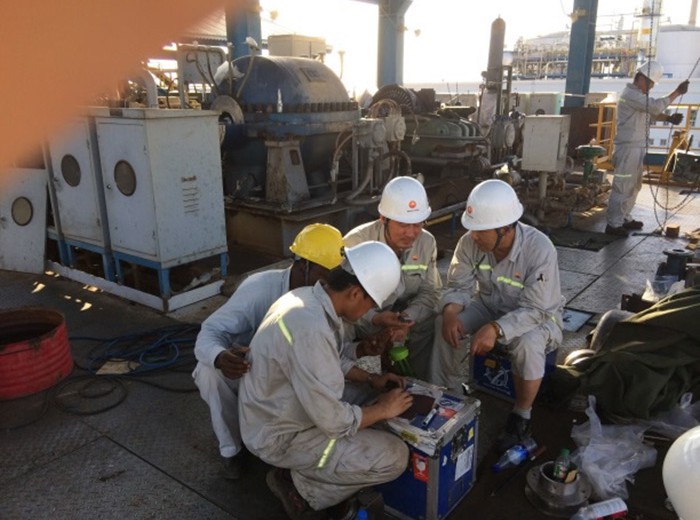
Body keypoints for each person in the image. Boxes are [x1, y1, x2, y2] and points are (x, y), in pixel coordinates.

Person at [239, 241, 413, 520]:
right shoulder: (310, 327)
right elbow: (335, 423)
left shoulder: (306, 299)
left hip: (280, 407)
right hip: (279, 435)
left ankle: (314, 470)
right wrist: (383, 410)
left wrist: (372, 378)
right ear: (355, 293)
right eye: (370, 304)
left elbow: (327, 359)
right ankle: (298, 487)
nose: (369, 313)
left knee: (371, 398)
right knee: (395, 456)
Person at [192, 223, 345, 480]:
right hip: (248, 369)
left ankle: (289, 445)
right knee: (209, 373)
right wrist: (220, 356)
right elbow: (209, 332)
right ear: (303, 265)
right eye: (324, 275)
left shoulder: (325, 297)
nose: (328, 284)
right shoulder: (259, 289)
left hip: (288, 374)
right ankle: (232, 450)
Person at [429, 179, 565, 452]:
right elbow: (459, 286)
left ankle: (521, 415)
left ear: (505, 229)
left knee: (527, 343)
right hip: (489, 305)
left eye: (480, 231)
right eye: (472, 229)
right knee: (444, 323)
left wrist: (496, 329)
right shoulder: (470, 243)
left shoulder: (540, 249)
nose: (473, 236)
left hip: (538, 316)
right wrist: (451, 311)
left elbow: (536, 309)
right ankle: (443, 393)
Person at [343, 176, 441, 380]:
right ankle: (343, 382)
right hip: (362, 317)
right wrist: (376, 319)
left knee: (432, 319)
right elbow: (341, 301)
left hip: (398, 316)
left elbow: (430, 292)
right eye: (403, 224)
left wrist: (405, 320)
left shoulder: (427, 242)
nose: (411, 233)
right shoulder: (357, 242)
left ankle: (416, 384)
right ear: (383, 219)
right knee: (340, 326)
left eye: (417, 224)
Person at [605, 60, 689, 236]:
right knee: (623, 186)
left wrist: (668, 118)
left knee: (634, 185)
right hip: (627, 149)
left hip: (636, 147)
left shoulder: (636, 96)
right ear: (641, 78)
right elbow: (654, 106)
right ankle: (613, 224)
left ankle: (624, 217)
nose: (650, 88)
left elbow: (650, 113)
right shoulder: (630, 94)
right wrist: (677, 92)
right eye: (650, 84)